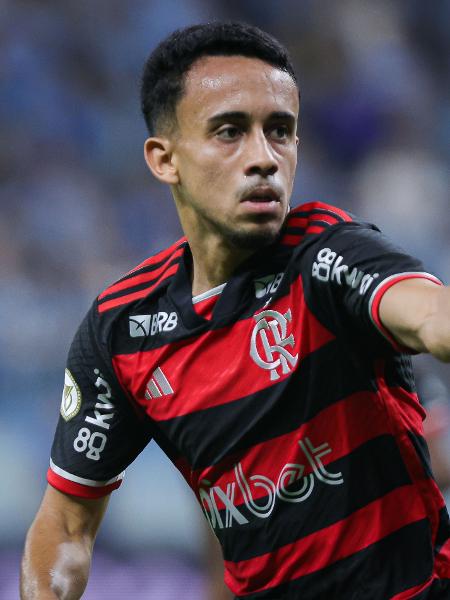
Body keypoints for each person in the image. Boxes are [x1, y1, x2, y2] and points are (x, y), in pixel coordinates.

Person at [20, 22, 450, 600]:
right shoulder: (122, 330)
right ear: (164, 158)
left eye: (280, 131)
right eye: (230, 132)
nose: (264, 158)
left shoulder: (324, 256)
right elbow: (66, 523)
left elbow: (429, 315)